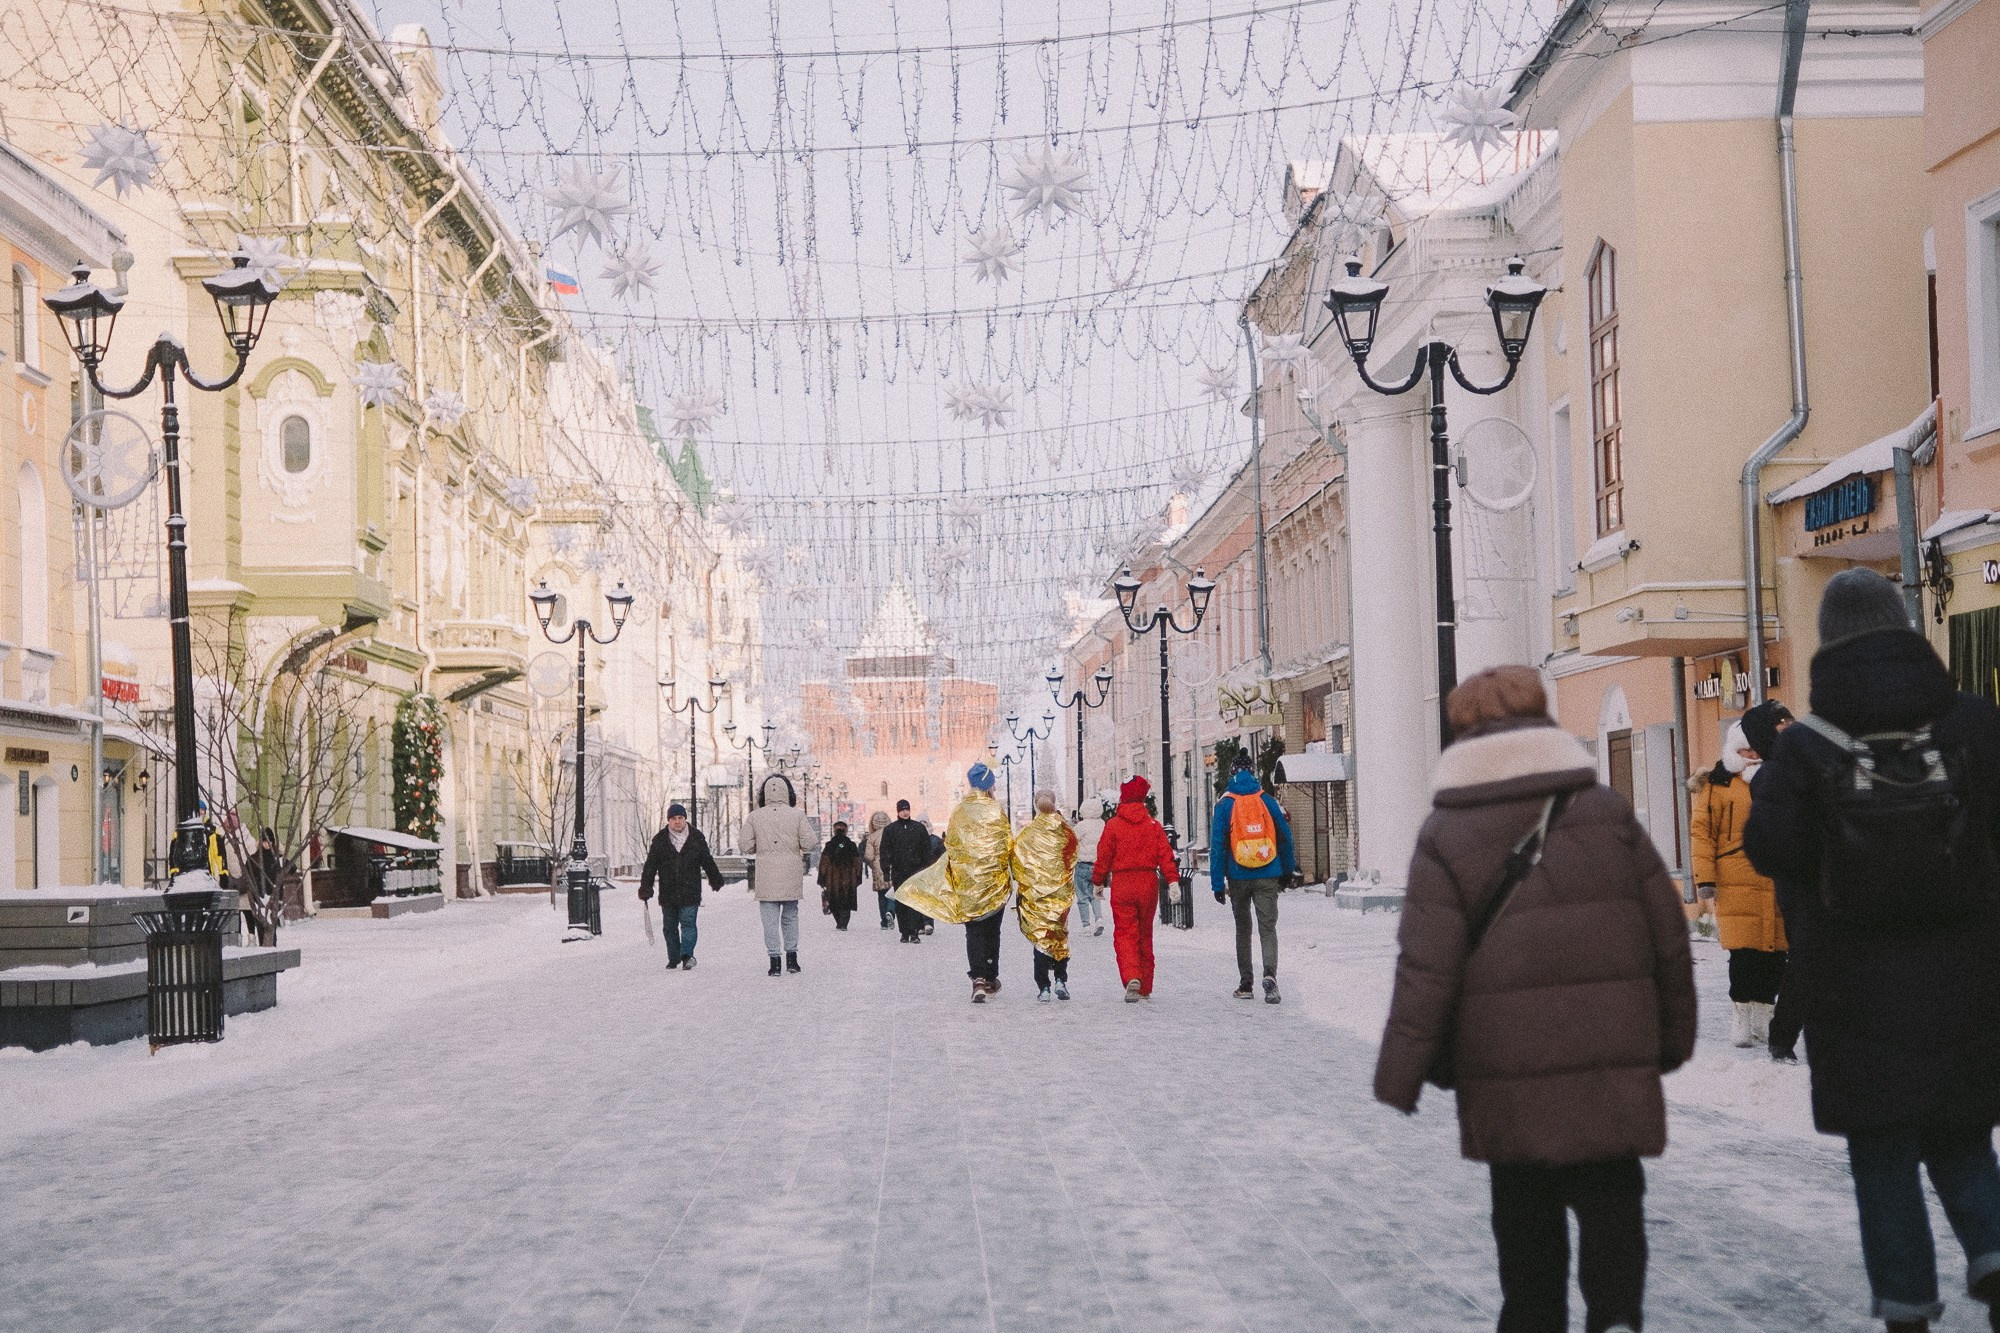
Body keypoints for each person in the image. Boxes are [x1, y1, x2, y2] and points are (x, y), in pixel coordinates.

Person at [1374, 665, 1697, 1333]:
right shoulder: (1606, 811)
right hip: (1609, 1056)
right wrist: (1671, 1040)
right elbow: (1667, 937)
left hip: (1505, 1070)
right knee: (1613, 1207)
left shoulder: (1445, 831)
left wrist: (1405, 1072)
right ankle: (1616, 1318)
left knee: (1526, 1242)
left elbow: (1426, 966)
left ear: (1463, 730)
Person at [1744, 568, 2000, 1333]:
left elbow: (1768, 846)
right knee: (1962, 1136)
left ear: (1828, 641)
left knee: (1882, 1155)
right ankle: (1994, 1252)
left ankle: (1907, 1308)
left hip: (1851, 991)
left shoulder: (1804, 747)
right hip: (1967, 979)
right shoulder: (1975, 723)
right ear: (1905, 627)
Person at [1691, 702, 1793, 1050]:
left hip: (1774, 878)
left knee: (1775, 954)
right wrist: (1705, 879)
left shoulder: (1778, 777)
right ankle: (1741, 1017)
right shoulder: (1718, 784)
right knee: (1744, 954)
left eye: (1755, 749)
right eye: (1745, 749)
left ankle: (1764, 1018)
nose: (1751, 755)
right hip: (1735, 881)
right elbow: (1702, 833)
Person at [893, 765, 1015, 1001]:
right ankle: (990, 976)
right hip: (994, 882)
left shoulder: (960, 810)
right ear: (989, 785)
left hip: (968, 882)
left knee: (974, 930)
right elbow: (1006, 843)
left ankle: (978, 978)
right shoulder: (996, 810)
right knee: (992, 930)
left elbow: (951, 843)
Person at [1739, 699, 1804, 1063]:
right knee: (1806, 960)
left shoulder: (1808, 762)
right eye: (1782, 722)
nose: (1791, 724)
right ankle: (1782, 1039)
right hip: (1800, 884)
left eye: (1790, 718)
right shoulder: (1770, 777)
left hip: (1831, 878)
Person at [1209, 754, 1299, 1004]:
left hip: (1237, 875)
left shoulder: (1224, 804)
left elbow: (1218, 847)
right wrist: (1287, 870)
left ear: (1232, 773)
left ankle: (1246, 984)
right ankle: (1270, 975)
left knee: (1243, 929)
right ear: (1253, 772)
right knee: (1267, 927)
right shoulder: (1267, 801)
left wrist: (1217, 883)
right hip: (1268, 872)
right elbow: (1285, 837)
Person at [1092, 775, 1178, 1002]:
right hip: (1148, 882)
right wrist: (1172, 881)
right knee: (1144, 933)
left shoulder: (1113, 825)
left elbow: (1104, 856)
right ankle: (1145, 985)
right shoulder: (1153, 826)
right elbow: (1165, 855)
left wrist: (1098, 881)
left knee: (1125, 932)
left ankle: (1132, 976)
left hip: (1122, 883)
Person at [739, 774, 817, 976]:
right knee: (790, 918)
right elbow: (810, 843)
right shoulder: (797, 815)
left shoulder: (755, 817)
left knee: (769, 922)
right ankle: (792, 959)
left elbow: (745, 845)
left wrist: (759, 845)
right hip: (791, 874)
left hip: (766, 876)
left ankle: (774, 962)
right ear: (788, 792)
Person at [639, 803, 724, 969]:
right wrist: (646, 887)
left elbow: (707, 860)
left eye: (680, 818)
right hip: (668, 892)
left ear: (685, 819)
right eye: (673, 818)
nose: (677, 821)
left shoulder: (696, 838)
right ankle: (673, 957)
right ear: (668, 821)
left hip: (690, 890)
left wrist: (715, 878)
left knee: (688, 923)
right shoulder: (660, 840)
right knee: (669, 927)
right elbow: (650, 866)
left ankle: (687, 955)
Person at [1013, 791, 1079, 1001]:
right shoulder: (1065, 830)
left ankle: (1044, 987)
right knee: (1058, 935)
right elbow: (1072, 856)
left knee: (1040, 938)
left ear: (1036, 806)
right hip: (1059, 892)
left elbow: (1018, 862)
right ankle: (1061, 978)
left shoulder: (1028, 833)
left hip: (1037, 894)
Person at [880, 799, 934, 943]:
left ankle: (915, 932)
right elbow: (885, 852)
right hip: (899, 871)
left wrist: (927, 869)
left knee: (914, 902)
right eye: (902, 809)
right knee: (901, 904)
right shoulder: (891, 830)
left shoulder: (918, 828)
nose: (905, 812)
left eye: (907, 809)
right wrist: (886, 872)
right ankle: (904, 932)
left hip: (916, 871)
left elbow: (927, 851)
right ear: (898, 811)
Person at [817, 821, 864, 930]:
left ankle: (839, 922)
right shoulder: (851, 845)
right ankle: (843, 923)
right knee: (847, 900)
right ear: (846, 831)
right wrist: (858, 876)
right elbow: (857, 862)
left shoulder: (829, 845)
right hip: (849, 877)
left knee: (834, 899)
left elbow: (824, 862)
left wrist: (822, 878)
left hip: (833, 878)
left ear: (834, 831)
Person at [1072, 801, 1108, 936]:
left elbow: (1072, 840)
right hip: (1098, 866)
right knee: (1095, 895)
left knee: (1082, 897)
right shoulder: (1103, 824)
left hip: (1082, 864)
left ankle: (1086, 926)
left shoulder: (1081, 826)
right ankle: (1099, 919)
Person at [248, 827, 286, 947]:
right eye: (264, 841)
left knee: (272, 929)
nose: (267, 844)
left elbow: (291, 868)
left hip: (273, 897)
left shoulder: (277, 858)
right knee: (261, 928)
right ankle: (264, 950)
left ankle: (271, 949)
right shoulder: (255, 858)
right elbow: (248, 875)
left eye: (270, 841)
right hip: (259, 898)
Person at [862, 810, 895, 929]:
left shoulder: (872, 837)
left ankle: (884, 922)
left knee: (881, 895)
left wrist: (872, 864)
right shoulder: (893, 834)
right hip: (892, 865)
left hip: (878, 866)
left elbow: (869, 856)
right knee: (893, 892)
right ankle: (890, 911)